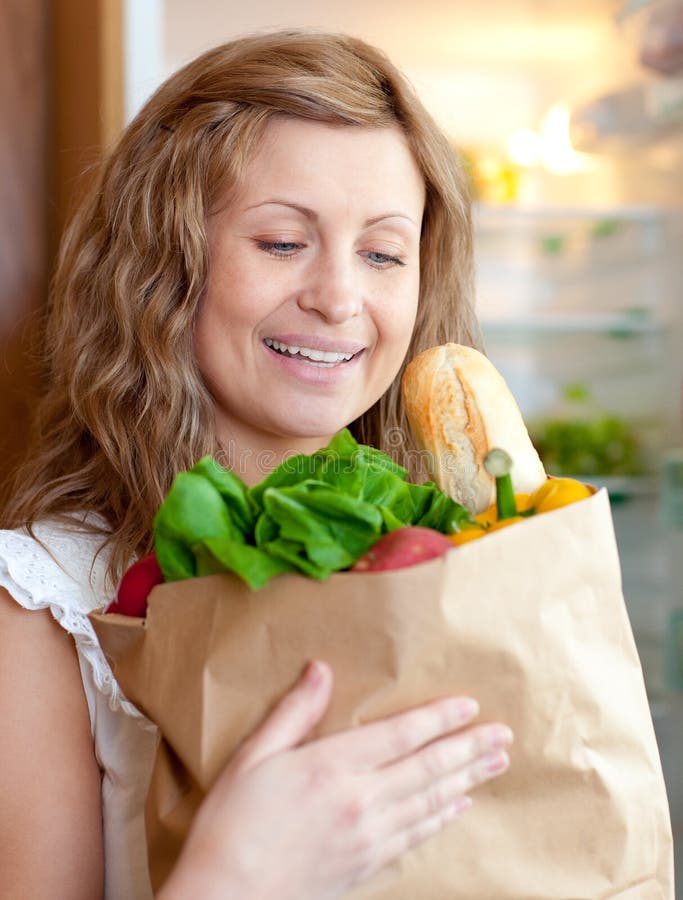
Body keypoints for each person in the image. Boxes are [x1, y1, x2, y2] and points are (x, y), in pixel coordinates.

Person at [0, 30, 513, 899]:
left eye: (383, 254)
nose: (340, 297)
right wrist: (235, 874)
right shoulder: (43, 606)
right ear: (164, 267)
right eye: (281, 242)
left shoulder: (467, 555)